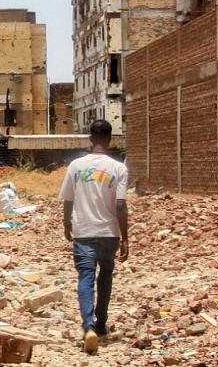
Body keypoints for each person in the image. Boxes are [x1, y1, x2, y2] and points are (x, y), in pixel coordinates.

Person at [58, 119, 129, 353]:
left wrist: (67, 224)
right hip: (109, 234)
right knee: (106, 275)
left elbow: (68, 199)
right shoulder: (118, 168)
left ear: (90, 138)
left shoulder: (76, 166)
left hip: (84, 232)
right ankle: (101, 323)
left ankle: (88, 326)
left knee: (86, 277)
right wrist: (125, 238)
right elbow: (120, 205)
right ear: (110, 139)